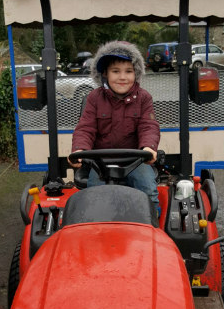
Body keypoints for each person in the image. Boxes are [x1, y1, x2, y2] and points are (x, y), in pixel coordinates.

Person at [69, 40, 161, 225]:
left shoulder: (144, 98)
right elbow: (86, 128)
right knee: (95, 195)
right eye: (116, 71)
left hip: (135, 160)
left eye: (128, 71)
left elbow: (148, 126)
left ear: (136, 73)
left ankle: (151, 227)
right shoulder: (94, 98)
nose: (122, 77)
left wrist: (148, 148)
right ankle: (98, 228)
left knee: (148, 188)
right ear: (105, 73)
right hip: (101, 162)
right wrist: (79, 149)